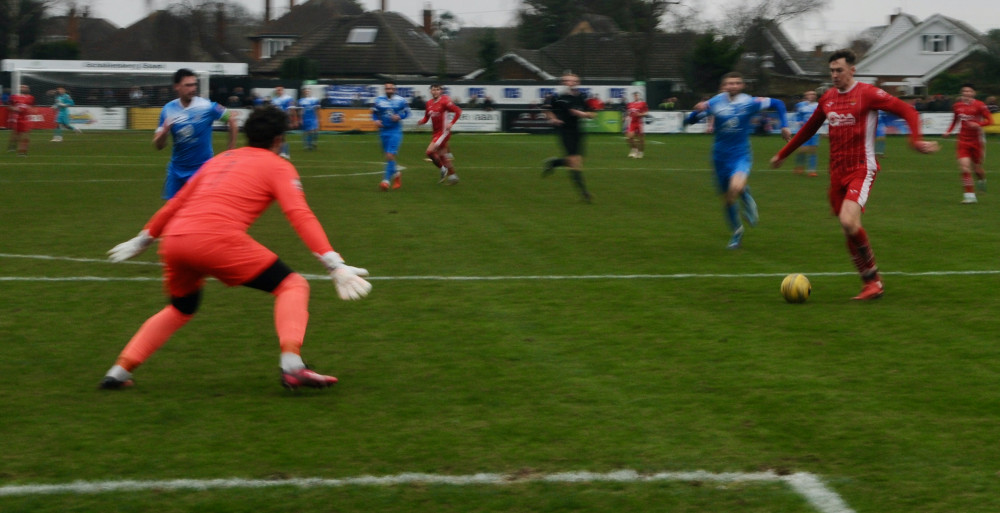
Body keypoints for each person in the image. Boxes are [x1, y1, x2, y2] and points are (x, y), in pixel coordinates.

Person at [99, 106, 372, 391]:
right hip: (216, 240)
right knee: (293, 286)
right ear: (279, 140)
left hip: (175, 240)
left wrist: (144, 238)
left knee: (180, 308)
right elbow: (299, 214)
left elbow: (177, 202)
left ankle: (119, 370)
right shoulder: (279, 166)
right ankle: (292, 366)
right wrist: (333, 263)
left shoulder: (220, 159)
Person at [770, 49, 939, 300]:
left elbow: (908, 111)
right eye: (831, 71)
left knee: (849, 221)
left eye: (839, 70)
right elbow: (808, 130)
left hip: (861, 167)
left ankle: (874, 281)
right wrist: (783, 154)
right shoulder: (827, 98)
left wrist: (916, 141)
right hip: (836, 172)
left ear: (852, 70)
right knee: (847, 227)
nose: (834, 75)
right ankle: (870, 282)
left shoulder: (868, 94)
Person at [685, 72, 790, 249]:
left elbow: (778, 103)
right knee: (728, 199)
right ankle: (737, 232)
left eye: (736, 83)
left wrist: (784, 125)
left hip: (740, 154)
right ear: (723, 86)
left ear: (742, 86)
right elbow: (691, 120)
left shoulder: (749, 102)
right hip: (719, 157)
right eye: (729, 83)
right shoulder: (715, 103)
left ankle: (747, 197)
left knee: (736, 187)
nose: (733, 86)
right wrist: (696, 112)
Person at [154, 68, 238, 199]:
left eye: (194, 84)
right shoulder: (167, 110)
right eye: (188, 85)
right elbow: (158, 145)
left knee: (197, 212)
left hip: (202, 170)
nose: (192, 88)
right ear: (177, 87)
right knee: (172, 213)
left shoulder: (207, 106)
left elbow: (232, 120)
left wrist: (230, 151)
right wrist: (164, 132)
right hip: (176, 170)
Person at [542, 73, 596, 202]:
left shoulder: (582, 97)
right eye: (567, 80)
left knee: (576, 161)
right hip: (565, 131)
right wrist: (554, 119)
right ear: (563, 82)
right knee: (574, 162)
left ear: (577, 83)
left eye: (573, 81)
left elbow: (592, 113)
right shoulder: (556, 97)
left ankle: (555, 162)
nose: (570, 83)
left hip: (578, 131)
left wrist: (585, 114)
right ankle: (584, 194)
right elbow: (547, 110)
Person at [942, 83, 993, 203]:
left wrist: (978, 124)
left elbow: (989, 120)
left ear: (973, 93)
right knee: (964, 168)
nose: (966, 93)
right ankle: (969, 196)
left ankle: (981, 180)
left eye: (969, 91)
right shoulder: (957, 106)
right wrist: (948, 131)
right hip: (963, 140)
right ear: (962, 93)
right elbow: (955, 120)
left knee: (977, 169)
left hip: (977, 140)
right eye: (964, 91)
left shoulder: (980, 105)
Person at [417, 84, 462, 185]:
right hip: (436, 133)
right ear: (431, 91)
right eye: (434, 90)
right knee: (442, 156)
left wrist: (451, 123)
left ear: (441, 91)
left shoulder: (445, 101)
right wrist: (421, 122)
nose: (436, 91)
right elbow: (426, 118)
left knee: (429, 152)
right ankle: (453, 177)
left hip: (444, 132)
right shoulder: (429, 103)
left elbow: (458, 111)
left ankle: (443, 169)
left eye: (438, 90)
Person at [371, 81, 411, 191]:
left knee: (389, 155)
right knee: (388, 157)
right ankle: (397, 174)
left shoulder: (401, 100)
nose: (389, 90)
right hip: (383, 131)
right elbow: (374, 113)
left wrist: (400, 116)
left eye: (391, 89)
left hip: (395, 131)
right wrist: (376, 120)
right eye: (387, 88)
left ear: (394, 90)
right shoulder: (378, 100)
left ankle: (386, 181)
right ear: (385, 90)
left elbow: (408, 112)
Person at [792, 90, 820, 176]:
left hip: (814, 131)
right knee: (802, 150)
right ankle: (799, 166)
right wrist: (799, 121)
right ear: (806, 96)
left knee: (813, 150)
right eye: (809, 94)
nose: (811, 96)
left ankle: (812, 170)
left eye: (813, 94)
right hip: (803, 131)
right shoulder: (801, 105)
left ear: (815, 96)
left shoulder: (819, 106)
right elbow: (797, 115)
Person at [270, 85, 298, 159]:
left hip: (284, 119)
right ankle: (281, 152)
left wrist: (294, 120)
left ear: (283, 91)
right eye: (277, 90)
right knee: (277, 136)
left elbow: (292, 110)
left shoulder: (288, 98)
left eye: (279, 90)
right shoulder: (274, 99)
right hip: (276, 119)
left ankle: (285, 152)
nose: (278, 91)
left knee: (282, 136)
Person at [6, 84, 35, 156]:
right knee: (16, 134)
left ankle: (22, 151)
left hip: (26, 118)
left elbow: (33, 107)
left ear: (28, 89)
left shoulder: (31, 98)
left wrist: (31, 110)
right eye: (22, 87)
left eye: (25, 87)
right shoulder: (15, 97)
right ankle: (12, 145)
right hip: (17, 117)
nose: (24, 88)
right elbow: (9, 107)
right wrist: (14, 109)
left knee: (25, 134)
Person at [625, 91, 649, 158]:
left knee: (641, 139)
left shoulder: (643, 103)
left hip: (639, 122)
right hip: (631, 122)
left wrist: (640, 114)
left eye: (637, 95)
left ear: (639, 96)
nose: (635, 96)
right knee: (629, 138)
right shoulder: (630, 104)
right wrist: (626, 117)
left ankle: (641, 152)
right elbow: (628, 112)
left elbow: (646, 113)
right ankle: (634, 149)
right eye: (634, 95)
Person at [297, 86, 321, 151]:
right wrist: (300, 119)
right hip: (305, 117)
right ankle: (308, 145)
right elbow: (301, 111)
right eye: (305, 91)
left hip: (313, 117)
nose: (306, 92)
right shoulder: (301, 101)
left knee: (315, 131)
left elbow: (317, 109)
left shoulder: (315, 100)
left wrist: (318, 118)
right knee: (307, 131)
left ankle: (314, 142)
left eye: (308, 91)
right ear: (303, 92)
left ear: (310, 92)